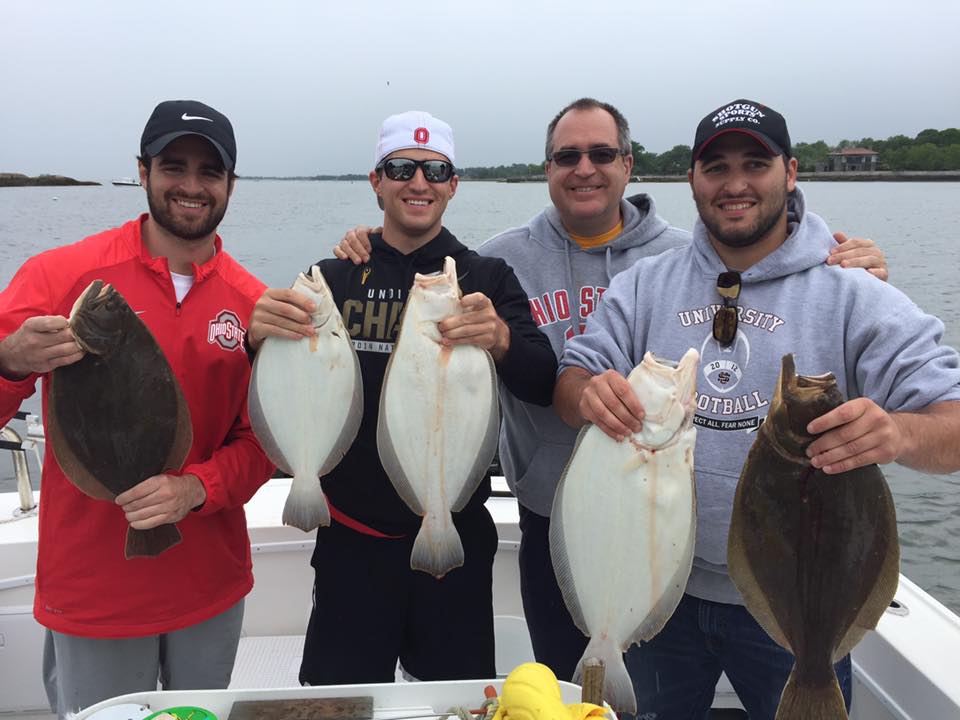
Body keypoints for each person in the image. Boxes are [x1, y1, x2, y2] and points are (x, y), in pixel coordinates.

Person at [331, 97, 890, 681]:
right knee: (565, 689)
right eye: (566, 156)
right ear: (547, 169)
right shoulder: (498, 260)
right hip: (550, 509)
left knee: (641, 681)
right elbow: (424, 262)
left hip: (661, 515)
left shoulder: (688, 259)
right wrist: (364, 247)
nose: (584, 169)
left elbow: (775, 273)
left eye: (601, 154)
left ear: (628, 164)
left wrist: (844, 265)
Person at [552, 98, 960, 719]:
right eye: (715, 167)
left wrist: (898, 432)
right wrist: (587, 392)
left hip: (798, 600)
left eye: (755, 164)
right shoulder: (644, 284)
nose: (735, 184)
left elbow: (951, 425)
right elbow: (572, 377)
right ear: (691, 179)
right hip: (660, 589)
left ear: (790, 173)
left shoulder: (856, 294)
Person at [247, 110, 556, 685]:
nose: (420, 182)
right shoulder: (334, 277)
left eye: (436, 169)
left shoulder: (487, 278)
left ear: (454, 184)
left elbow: (541, 381)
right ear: (376, 181)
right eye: (402, 168)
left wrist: (503, 338)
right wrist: (255, 338)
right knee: (339, 700)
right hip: (351, 541)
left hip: (454, 536)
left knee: (453, 701)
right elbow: (286, 381)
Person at [0, 100, 274, 718]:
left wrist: (193, 490)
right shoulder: (58, 275)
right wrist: (11, 362)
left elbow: (262, 446)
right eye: (173, 165)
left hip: (210, 585)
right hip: (95, 591)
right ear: (142, 170)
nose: (191, 185)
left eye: (211, 171)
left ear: (231, 184)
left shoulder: (252, 302)